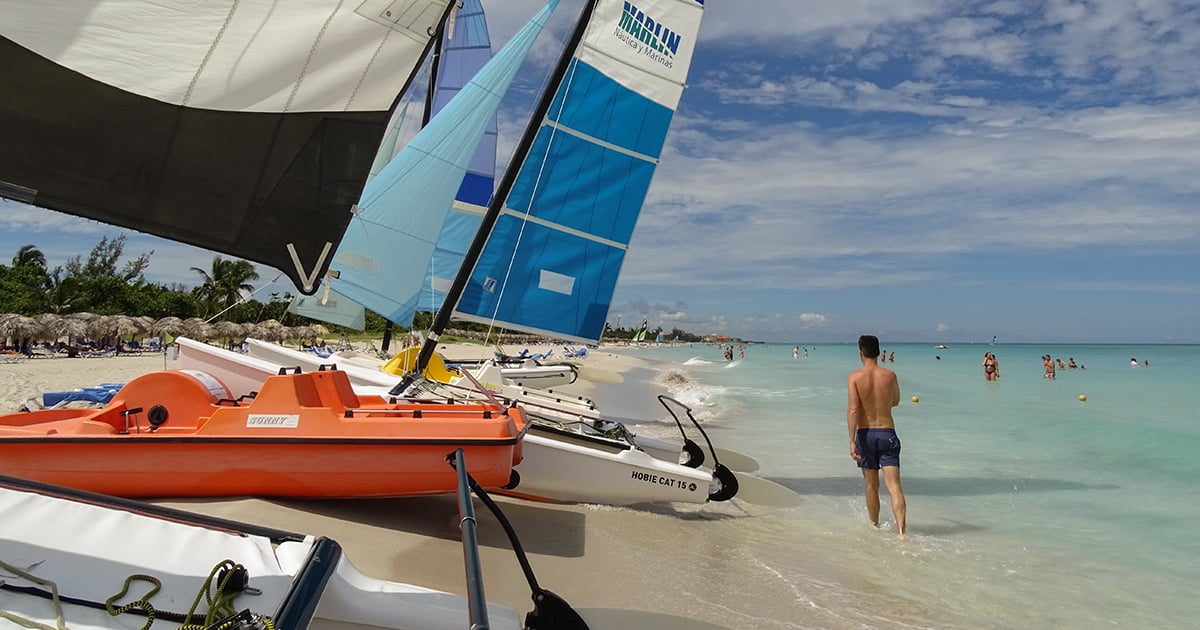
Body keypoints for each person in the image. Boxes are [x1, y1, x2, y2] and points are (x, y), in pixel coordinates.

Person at [847, 335, 907, 539]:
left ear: (860, 353)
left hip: (865, 435)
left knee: (872, 486)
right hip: (887, 432)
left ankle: (875, 527)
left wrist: (851, 441)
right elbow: (896, 401)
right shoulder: (890, 375)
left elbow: (853, 409)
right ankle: (901, 533)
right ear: (879, 352)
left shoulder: (854, 377)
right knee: (894, 486)